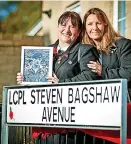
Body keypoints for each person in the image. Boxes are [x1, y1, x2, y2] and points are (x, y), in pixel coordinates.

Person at [17, 11, 99, 144]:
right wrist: (26, 79)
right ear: (57, 27)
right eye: (63, 25)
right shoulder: (45, 51)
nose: (66, 30)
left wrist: (61, 83)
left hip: (71, 128)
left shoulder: (85, 50)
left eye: (72, 26)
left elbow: (91, 76)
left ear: (79, 32)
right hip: (44, 122)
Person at [82, 7, 131, 144]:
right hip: (96, 113)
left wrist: (103, 71)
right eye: (90, 24)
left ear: (105, 24)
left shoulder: (122, 44)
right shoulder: (85, 51)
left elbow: (128, 73)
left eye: (98, 23)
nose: (94, 27)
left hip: (122, 110)